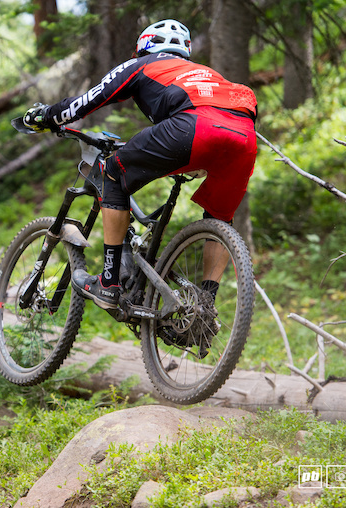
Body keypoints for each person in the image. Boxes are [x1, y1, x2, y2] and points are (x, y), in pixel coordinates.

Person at [23, 19, 258, 310]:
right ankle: (205, 306)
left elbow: (86, 101)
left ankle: (109, 285)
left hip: (192, 128)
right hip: (244, 135)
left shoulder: (143, 64)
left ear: (143, 46)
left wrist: (45, 116)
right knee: (219, 217)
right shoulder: (207, 73)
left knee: (112, 174)